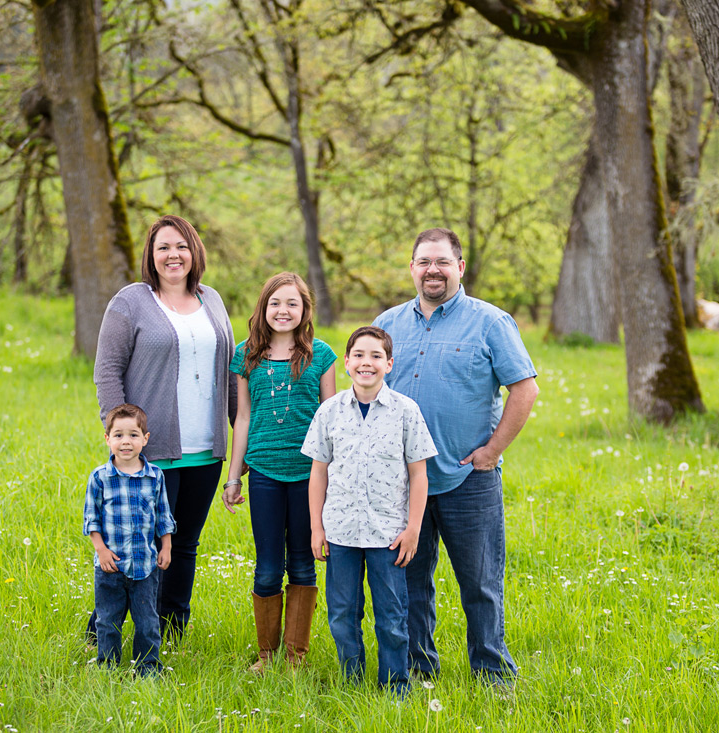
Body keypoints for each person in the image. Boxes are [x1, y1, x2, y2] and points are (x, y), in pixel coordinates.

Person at [372, 227, 539, 686]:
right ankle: (417, 668)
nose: (433, 270)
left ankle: (492, 675)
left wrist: (492, 450)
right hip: (404, 483)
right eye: (424, 261)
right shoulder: (387, 325)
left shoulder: (490, 322)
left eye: (442, 262)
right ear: (412, 268)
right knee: (410, 584)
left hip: (469, 480)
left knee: (481, 585)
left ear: (459, 268)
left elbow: (524, 389)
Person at [94, 214, 236, 640]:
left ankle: (171, 629)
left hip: (206, 447)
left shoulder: (211, 299)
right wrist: (122, 437)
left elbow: (229, 373)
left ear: (195, 252)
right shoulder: (131, 301)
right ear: (151, 257)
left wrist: (236, 436)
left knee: (185, 544)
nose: (173, 255)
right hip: (151, 450)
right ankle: (107, 628)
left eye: (181, 246)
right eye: (163, 248)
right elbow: (108, 371)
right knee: (142, 544)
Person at [302, 326, 437, 697]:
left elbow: (419, 474)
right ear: (346, 363)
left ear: (389, 364)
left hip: (388, 534)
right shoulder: (329, 412)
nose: (367, 363)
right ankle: (352, 680)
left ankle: (395, 685)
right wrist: (317, 527)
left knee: (392, 616)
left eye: (376, 356)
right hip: (341, 532)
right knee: (343, 614)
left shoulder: (406, 412)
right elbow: (318, 473)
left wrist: (413, 529)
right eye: (359, 355)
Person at [221, 272, 337, 672]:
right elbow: (244, 418)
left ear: (305, 310)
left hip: (310, 474)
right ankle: (267, 654)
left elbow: (331, 419)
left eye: (292, 303)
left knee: (303, 562)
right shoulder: (246, 355)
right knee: (268, 565)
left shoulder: (320, 355)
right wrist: (235, 476)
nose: (283, 310)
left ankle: (295, 656)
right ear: (263, 308)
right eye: (275, 303)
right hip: (266, 472)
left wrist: (334, 479)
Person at [83, 404, 176, 675]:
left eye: (134, 435)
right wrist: (100, 550)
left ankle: (148, 667)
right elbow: (92, 519)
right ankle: (107, 665)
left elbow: (163, 515)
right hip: (110, 567)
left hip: (145, 566)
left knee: (147, 622)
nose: (126, 441)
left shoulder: (154, 476)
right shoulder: (100, 478)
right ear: (107, 439)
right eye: (119, 435)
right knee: (108, 620)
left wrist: (166, 546)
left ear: (145, 439)